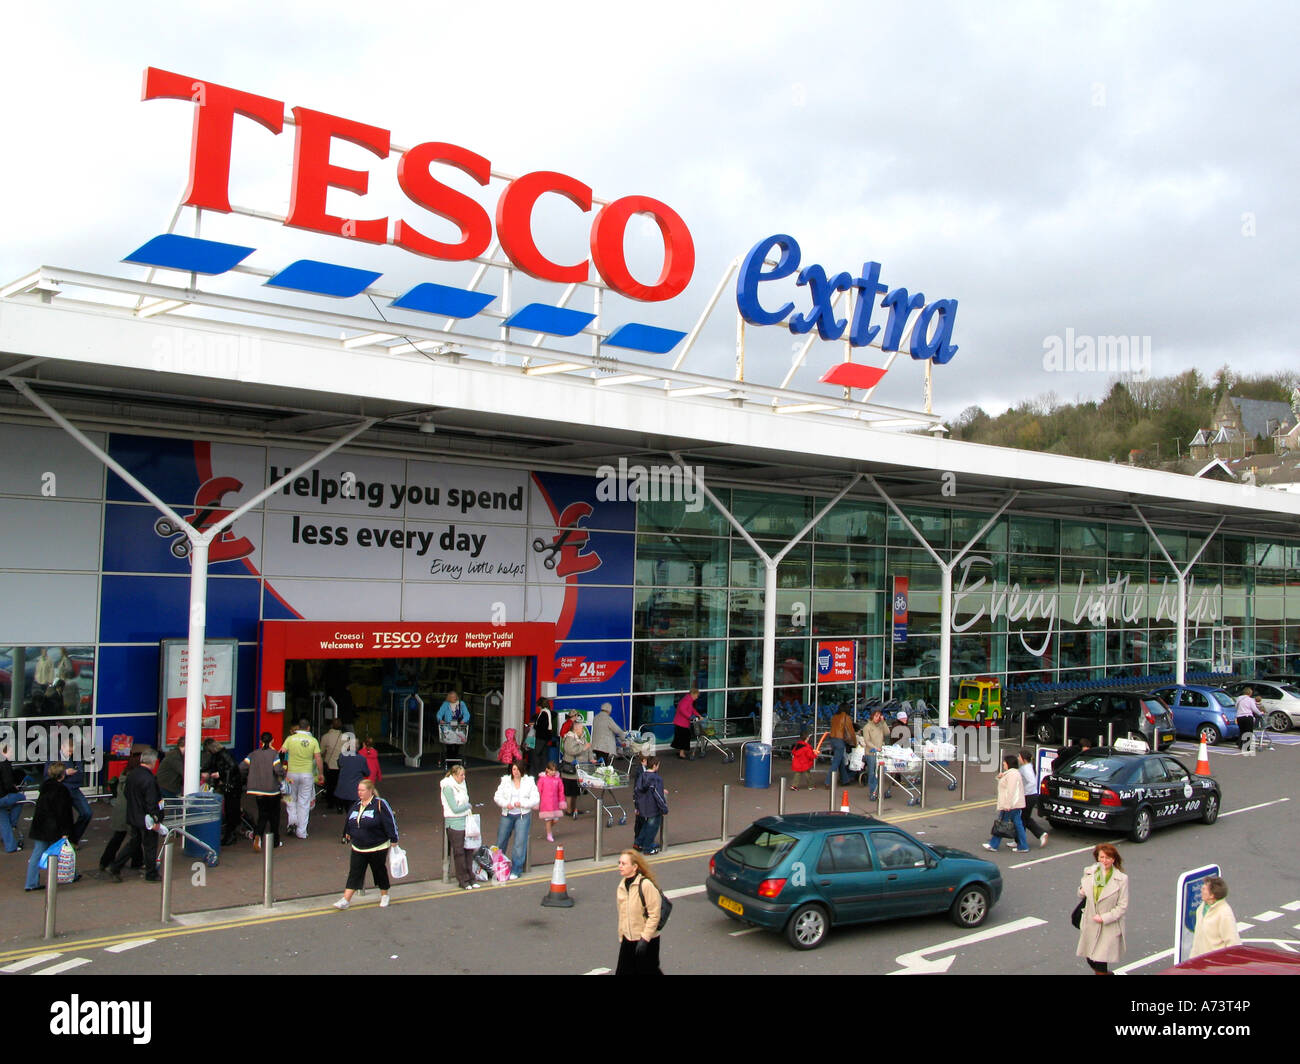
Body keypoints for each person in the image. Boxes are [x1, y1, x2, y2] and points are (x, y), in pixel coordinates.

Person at [332, 778, 399, 910]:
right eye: (358, 790)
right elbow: (350, 819)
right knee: (355, 872)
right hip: (358, 846)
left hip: (377, 846)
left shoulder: (380, 803)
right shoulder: (357, 804)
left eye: (362, 790)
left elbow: (390, 821)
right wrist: (346, 832)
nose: (359, 792)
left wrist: (394, 839)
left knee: (379, 871)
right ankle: (346, 899)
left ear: (370, 791)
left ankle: (384, 895)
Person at [106, 749, 164, 883]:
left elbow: (127, 793)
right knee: (150, 845)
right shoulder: (149, 779)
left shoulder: (133, 774)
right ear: (153, 762)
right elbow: (151, 802)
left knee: (134, 843)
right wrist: (155, 819)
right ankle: (151, 873)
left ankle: (115, 866)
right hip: (146, 818)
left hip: (133, 815)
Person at [25, 763, 79, 891]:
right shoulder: (62, 790)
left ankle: (31, 883)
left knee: (37, 854)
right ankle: (71, 874)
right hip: (54, 827)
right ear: (62, 775)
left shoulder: (45, 787)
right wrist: (66, 831)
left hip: (40, 826)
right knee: (64, 851)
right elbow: (63, 813)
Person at [1076, 842, 1128, 974]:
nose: (1104, 861)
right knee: (1090, 958)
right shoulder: (1090, 872)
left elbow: (1122, 906)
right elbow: (1082, 894)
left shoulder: (1121, 879)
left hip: (1107, 925)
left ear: (1113, 859)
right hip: (1091, 921)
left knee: (1100, 961)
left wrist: (1104, 918)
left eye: (1108, 858)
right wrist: (1081, 891)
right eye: (1102, 857)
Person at [615, 849, 664, 975]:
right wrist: (622, 935)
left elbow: (654, 915)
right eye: (619, 863)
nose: (620, 866)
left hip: (646, 940)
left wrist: (645, 938)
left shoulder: (645, 885)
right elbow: (622, 914)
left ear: (635, 866)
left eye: (624, 863)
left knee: (649, 971)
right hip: (628, 939)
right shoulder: (621, 886)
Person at [98, 753, 143, 872]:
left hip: (120, 810)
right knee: (135, 837)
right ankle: (131, 862)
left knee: (119, 837)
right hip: (129, 811)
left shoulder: (124, 773)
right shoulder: (135, 777)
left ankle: (105, 861)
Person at [279, 719, 324, 840]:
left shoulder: (290, 739)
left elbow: (281, 753)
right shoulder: (313, 740)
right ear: (308, 728)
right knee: (304, 802)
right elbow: (318, 759)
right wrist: (321, 773)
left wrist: (281, 770)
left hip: (291, 775)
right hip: (307, 775)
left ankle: (292, 821)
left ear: (298, 727)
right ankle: (301, 831)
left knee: (290, 797)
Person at [493, 761, 540, 877]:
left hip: (522, 815)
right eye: (514, 769)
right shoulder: (505, 781)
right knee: (500, 841)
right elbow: (497, 796)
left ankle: (516, 869)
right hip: (507, 814)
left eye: (518, 769)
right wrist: (505, 804)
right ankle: (497, 867)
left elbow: (535, 799)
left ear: (522, 770)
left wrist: (523, 803)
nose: (516, 772)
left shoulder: (529, 782)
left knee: (520, 842)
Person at [242, 732, 286, 851]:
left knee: (262, 815)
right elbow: (277, 770)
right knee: (274, 816)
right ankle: (275, 841)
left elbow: (242, 767)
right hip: (272, 790)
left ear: (261, 741)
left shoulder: (253, 754)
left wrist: (250, 776)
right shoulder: (274, 754)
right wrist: (284, 773)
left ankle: (257, 836)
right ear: (272, 741)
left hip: (257, 790)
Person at [46, 739, 92, 846]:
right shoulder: (53, 758)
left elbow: (80, 776)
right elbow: (47, 777)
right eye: (68, 751)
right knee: (63, 818)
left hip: (73, 790)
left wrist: (62, 777)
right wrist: (66, 773)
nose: (70, 754)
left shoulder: (76, 758)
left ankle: (72, 838)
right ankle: (64, 841)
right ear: (62, 747)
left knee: (87, 813)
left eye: (72, 752)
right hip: (60, 791)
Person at [440, 764, 477, 890]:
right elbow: (454, 808)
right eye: (461, 775)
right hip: (454, 823)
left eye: (464, 774)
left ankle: (471, 877)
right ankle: (463, 880)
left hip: (465, 820)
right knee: (459, 852)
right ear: (454, 775)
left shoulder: (462, 784)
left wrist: (466, 807)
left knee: (468, 850)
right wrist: (467, 806)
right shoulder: (447, 787)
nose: (463, 777)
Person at [201, 737, 243, 846]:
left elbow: (232, 767)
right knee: (230, 808)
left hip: (231, 786)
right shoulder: (219, 755)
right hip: (230, 785)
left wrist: (220, 774)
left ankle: (231, 834)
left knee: (231, 809)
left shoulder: (222, 755)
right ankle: (231, 833)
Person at [983, 754, 1029, 853]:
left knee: (1002, 823)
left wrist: (1007, 805)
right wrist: (1000, 777)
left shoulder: (1012, 774)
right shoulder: (1011, 773)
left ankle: (993, 845)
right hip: (1014, 804)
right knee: (1017, 824)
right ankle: (1023, 845)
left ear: (1009, 763)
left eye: (1004, 762)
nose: (1003, 763)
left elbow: (1011, 790)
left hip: (1011, 805)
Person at [1190, 876, 1241, 958]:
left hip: (1216, 965)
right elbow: (1197, 940)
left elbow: (1233, 943)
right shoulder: (1201, 909)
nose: (1201, 890)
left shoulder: (1224, 914)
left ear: (1212, 895)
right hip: (1200, 963)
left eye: (1204, 889)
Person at [334, 734, 369, 841]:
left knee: (350, 812)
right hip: (354, 790)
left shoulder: (342, 756)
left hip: (342, 789)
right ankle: (346, 834)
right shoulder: (361, 759)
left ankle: (349, 833)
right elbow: (367, 772)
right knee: (352, 813)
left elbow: (339, 765)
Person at [633, 756, 667, 855]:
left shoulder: (642, 776)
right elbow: (658, 795)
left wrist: (637, 806)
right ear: (655, 766)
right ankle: (648, 848)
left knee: (645, 825)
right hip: (653, 807)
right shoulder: (657, 779)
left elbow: (637, 792)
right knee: (652, 827)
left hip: (643, 807)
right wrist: (664, 807)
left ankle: (638, 843)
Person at [818, 707, 857, 788]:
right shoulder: (846, 717)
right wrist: (854, 742)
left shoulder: (834, 717)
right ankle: (828, 781)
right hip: (840, 740)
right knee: (836, 762)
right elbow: (851, 731)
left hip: (833, 739)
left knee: (840, 760)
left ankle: (845, 780)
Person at [560, 713, 590, 817]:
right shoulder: (570, 738)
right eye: (581, 728)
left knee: (576, 791)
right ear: (576, 729)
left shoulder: (582, 737)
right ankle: (569, 810)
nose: (583, 730)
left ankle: (574, 809)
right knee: (569, 791)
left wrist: (591, 758)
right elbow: (571, 750)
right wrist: (583, 748)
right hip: (570, 770)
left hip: (578, 770)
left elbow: (588, 747)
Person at [1017, 748, 1048, 848]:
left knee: (1023, 818)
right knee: (1023, 818)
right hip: (1030, 796)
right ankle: (1018, 839)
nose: (1018, 758)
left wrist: (1023, 792)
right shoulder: (1027, 767)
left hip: (1029, 797)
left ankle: (1041, 834)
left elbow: (1032, 782)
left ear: (1023, 759)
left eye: (1019, 756)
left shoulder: (1026, 768)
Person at [0, 741, 26, 852]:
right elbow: (7, 783)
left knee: (2, 818)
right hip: (2, 796)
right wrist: (14, 788)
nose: (12, 754)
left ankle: (11, 846)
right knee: (21, 798)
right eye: (10, 751)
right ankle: (13, 823)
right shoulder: (4, 763)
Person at [862, 708, 889, 799]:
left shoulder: (881, 725)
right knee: (872, 772)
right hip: (871, 753)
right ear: (872, 716)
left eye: (879, 716)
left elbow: (887, 732)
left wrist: (883, 722)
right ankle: (872, 791)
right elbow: (867, 741)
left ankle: (878, 790)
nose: (878, 718)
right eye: (876, 716)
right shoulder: (867, 727)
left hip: (880, 753)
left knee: (879, 772)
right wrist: (875, 748)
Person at [437, 691, 469, 765]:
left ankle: (454, 757)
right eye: (451, 697)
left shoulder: (462, 704)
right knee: (449, 743)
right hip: (448, 727)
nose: (453, 698)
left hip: (458, 726)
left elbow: (467, 714)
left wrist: (463, 721)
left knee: (458, 743)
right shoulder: (445, 704)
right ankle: (450, 759)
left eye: (454, 696)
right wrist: (440, 720)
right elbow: (439, 714)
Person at [320, 718, 345, 812]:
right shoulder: (345, 737)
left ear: (331, 726)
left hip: (330, 765)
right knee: (340, 785)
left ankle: (330, 803)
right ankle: (340, 805)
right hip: (342, 765)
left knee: (330, 785)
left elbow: (321, 751)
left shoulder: (326, 737)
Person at [537, 761, 565, 843]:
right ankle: (549, 834)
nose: (553, 772)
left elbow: (561, 791)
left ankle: (548, 829)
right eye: (551, 770)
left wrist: (562, 801)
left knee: (555, 819)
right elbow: (538, 790)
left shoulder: (558, 779)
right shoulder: (542, 779)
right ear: (547, 770)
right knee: (548, 819)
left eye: (554, 770)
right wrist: (537, 801)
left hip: (555, 803)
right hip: (546, 803)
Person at [672, 688, 701, 760]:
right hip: (681, 722)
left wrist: (698, 715)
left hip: (681, 722)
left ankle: (680, 752)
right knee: (685, 737)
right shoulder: (687, 700)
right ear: (693, 694)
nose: (697, 697)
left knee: (681, 737)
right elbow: (682, 709)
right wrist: (691, 716)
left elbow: (692, 709)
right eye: (697, 695)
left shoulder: (688, 699)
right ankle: (681, 753)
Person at [530, 698, 556, 776]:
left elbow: (540, 726)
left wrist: (534, 725)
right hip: (546, 738)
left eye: (538, 705)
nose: (538, 707)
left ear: (540, 705)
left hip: (541, 738)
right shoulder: (549, 713)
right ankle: (544, 773)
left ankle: (535, 773)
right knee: (544, 756)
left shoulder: (543, 714)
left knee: (536, 755)